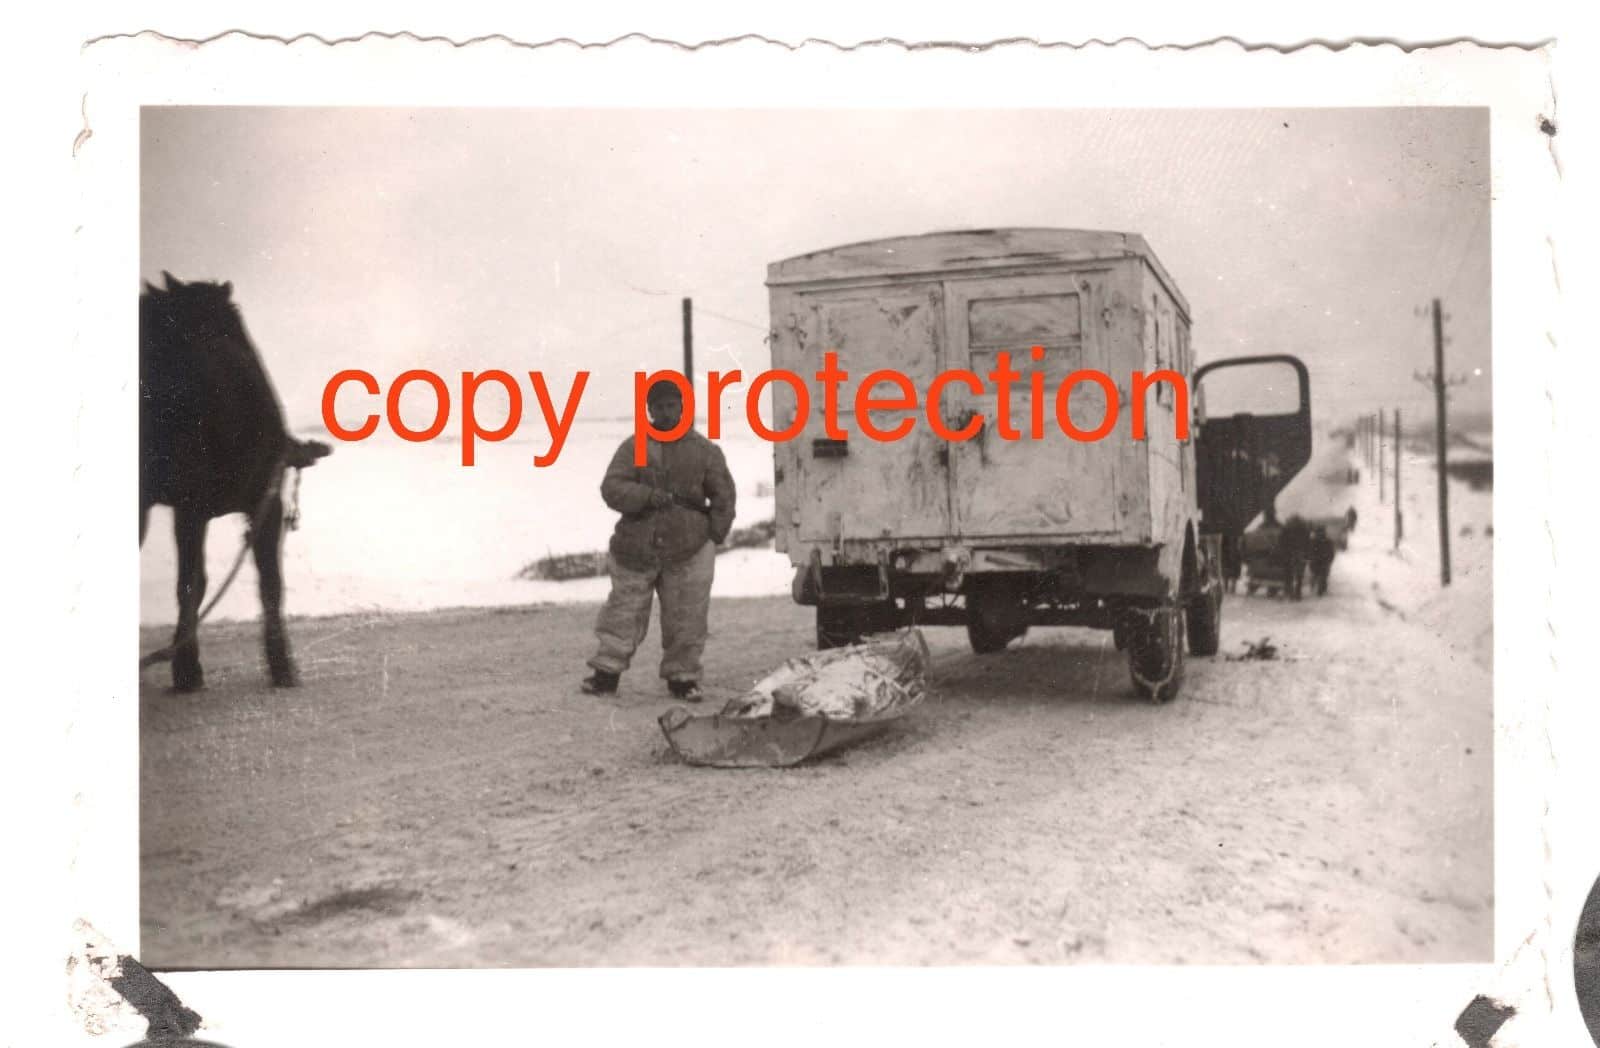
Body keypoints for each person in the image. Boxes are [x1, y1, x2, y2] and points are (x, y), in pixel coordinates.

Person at [581, 382, 737, 702]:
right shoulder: (634, 447)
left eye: (671, 406)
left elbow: (724, 496)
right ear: (649, 410)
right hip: (636, 546)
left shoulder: (704, 450)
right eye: (659, 407)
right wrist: (646, 496)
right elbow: (612, 487)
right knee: (624, 611)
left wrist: (711, 534)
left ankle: (683, 678)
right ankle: (606, 673)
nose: (666, 413)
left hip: (689, 549)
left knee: (687, 616)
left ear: (682, 408)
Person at [1308, 524, 1335, 596]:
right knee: (1321, 575)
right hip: (1321, 561)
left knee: (1318, 575)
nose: (1321, 534)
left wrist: (1310, 558)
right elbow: (1331, 552)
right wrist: (1330, 559)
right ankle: (1319, 588)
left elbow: (1331, 552)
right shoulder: (1327, 541)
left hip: (1319, 561)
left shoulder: (1313, 541)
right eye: (1320, 532)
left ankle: (1319, 588)